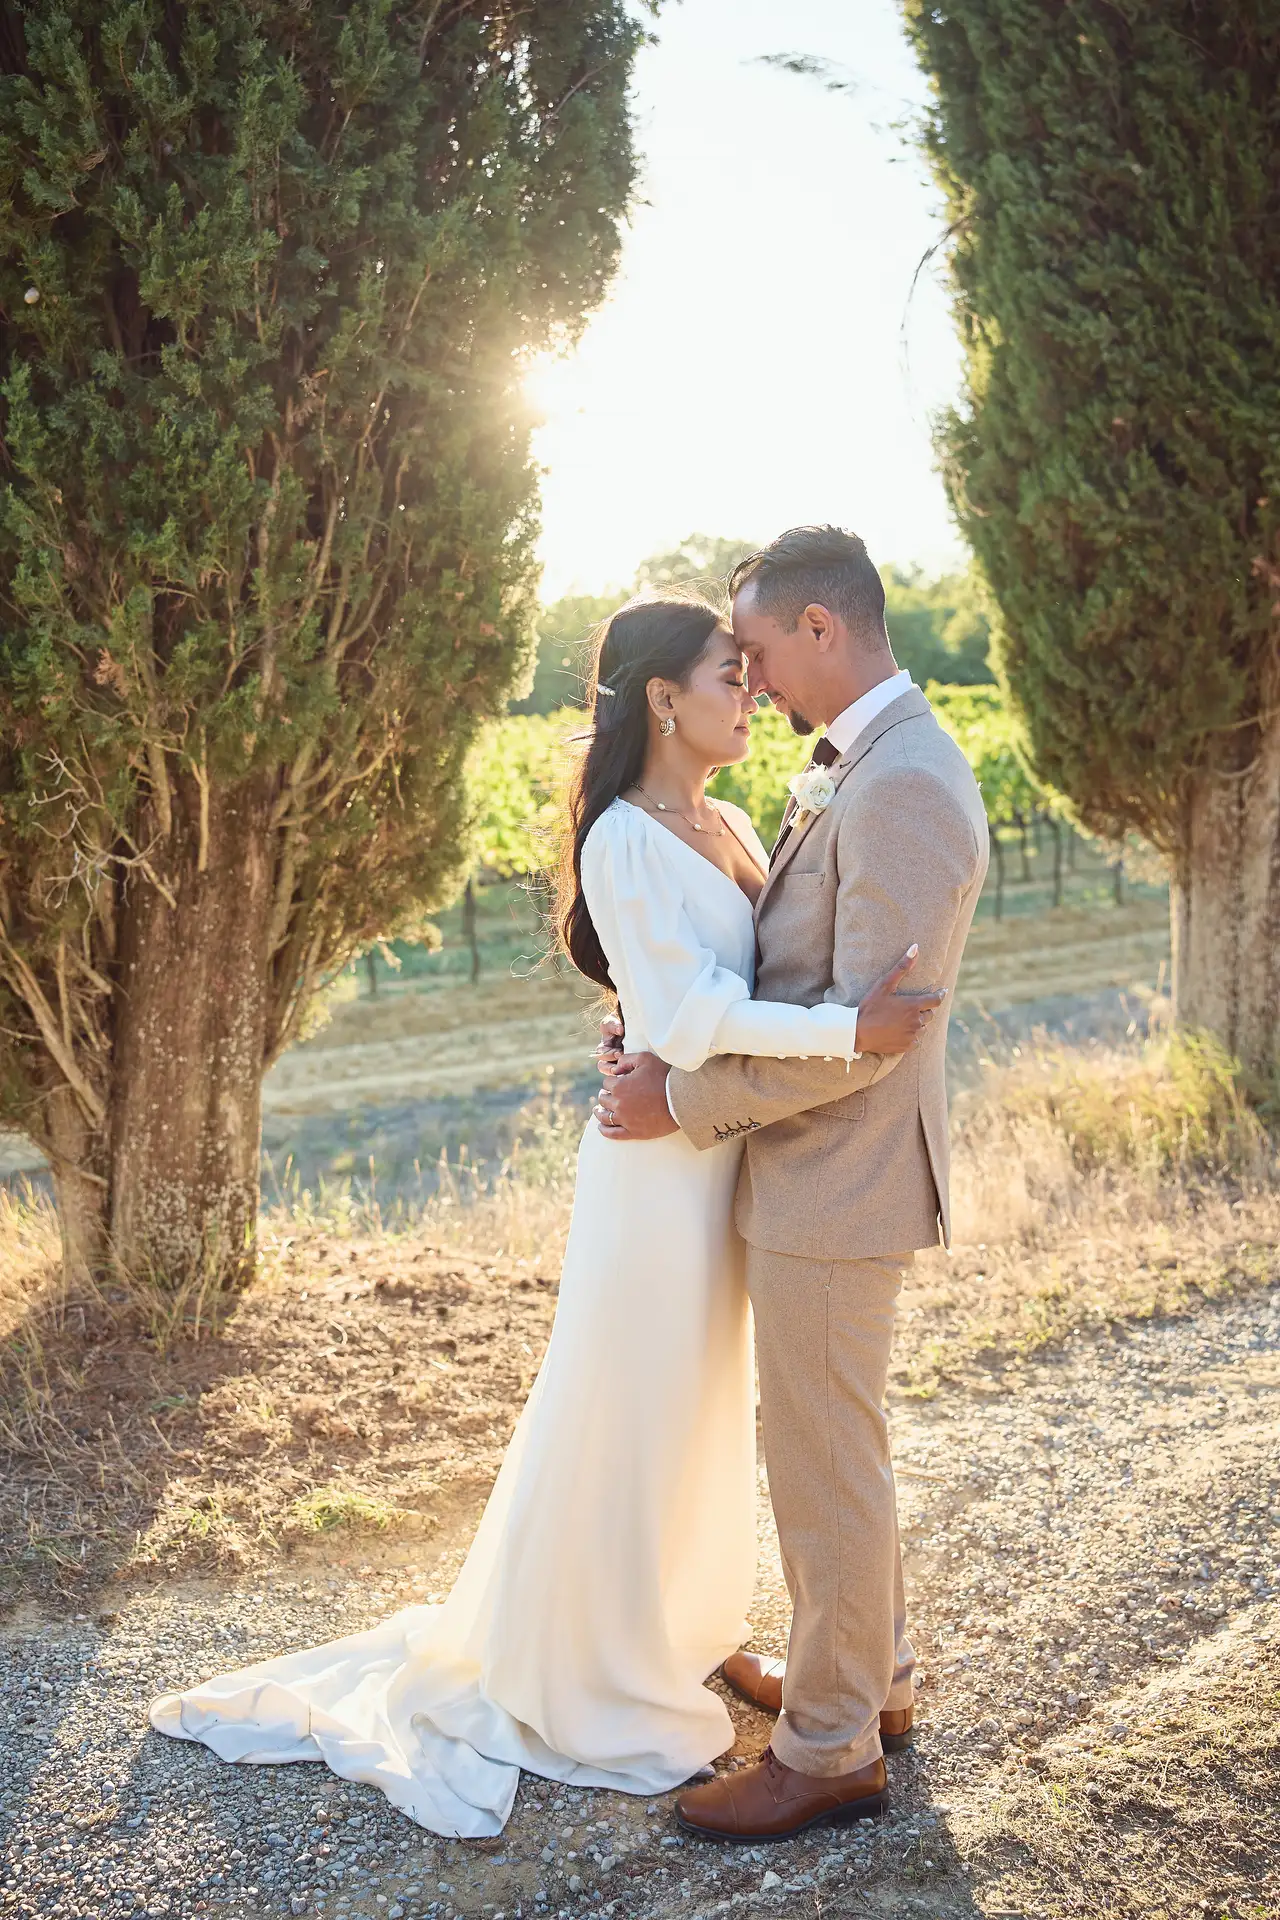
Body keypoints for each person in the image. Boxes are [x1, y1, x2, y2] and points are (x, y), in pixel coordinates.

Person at [147, 589, 937, 1838]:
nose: (750, 689)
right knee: (624, 1402)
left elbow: (754, 969)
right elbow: (680, 1021)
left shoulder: (730, 815)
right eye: (728, 672)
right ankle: (588, 1671)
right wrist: (850, 1030)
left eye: (751, 667)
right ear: (664, 699)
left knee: (694, 1413)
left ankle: (679, 1625)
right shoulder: (623, 835)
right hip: (657, 1174)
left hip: (719, 1151)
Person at [595, 527, 989, 1840]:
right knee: (826, 1446)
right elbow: (792, 981)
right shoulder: (863, 765)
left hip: (842, 1170)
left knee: (825, 1458)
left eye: (756, 649)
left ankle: (826, 1751)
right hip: (814, 1170)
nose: (750, 679)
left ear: (821, 630)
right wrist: (656, 1031)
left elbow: (878, 1038)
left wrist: (680, 1100)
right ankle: (866, 1682)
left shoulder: (904, 783)